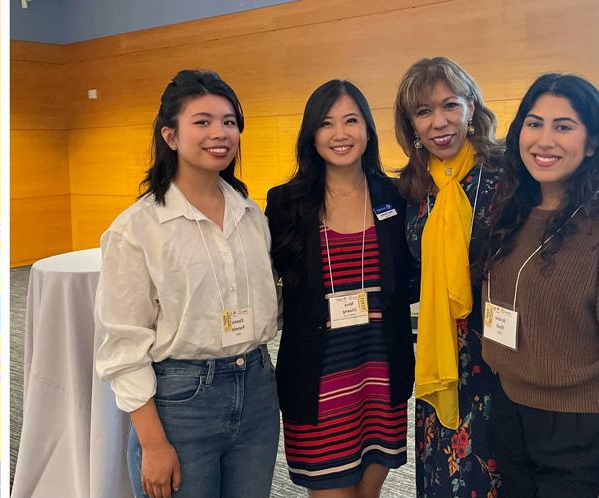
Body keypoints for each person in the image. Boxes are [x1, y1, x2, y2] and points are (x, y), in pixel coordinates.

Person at [479, 73, 599, 498]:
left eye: (563, 126)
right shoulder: (511, 215)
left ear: (591, 144)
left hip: (580, 432)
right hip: (513, 417)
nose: (544, 139)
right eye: (534, 123)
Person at [94, 69, 279, 498]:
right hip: (182, 401)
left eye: (230, 122)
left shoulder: (250, 214)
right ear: (171, 136)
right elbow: (122, 345)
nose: (220, 133)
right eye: (203, 121)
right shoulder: (138, 228)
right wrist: (153, 443)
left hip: (256, 390)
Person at [266, 80, 413, 497]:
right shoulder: (285, 203)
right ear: (312, 135)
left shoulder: (396, 197)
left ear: (368, 130)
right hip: (318, 384)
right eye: (327, 123)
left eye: (352, 120)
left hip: (380, 377)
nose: (340, 133)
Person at [393, 57, 504, 497]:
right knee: (442, 474)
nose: (439, 123)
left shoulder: (506, 174)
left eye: (450, 106)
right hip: (440, 352)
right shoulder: (413, 187)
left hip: (497, 355)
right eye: (424, 112)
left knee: (495, 473)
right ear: (412, 124)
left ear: (471, 108)